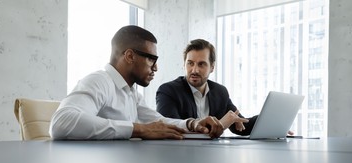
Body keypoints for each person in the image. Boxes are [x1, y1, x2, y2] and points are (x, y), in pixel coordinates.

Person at [50, 26, 227, 140]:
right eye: (151, 59)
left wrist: (192, 124)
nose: (155, 67)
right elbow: (61, 122)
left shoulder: (131, 94)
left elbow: (159, 122)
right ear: (129, 56)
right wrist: (138, 129)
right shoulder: (99, 81)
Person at [156, 39, 258, 136]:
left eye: (201, 64)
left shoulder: (220, 92)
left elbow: (242, 127)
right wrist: (221, 124)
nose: (194, 70)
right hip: (180, 153)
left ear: (212, 67)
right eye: (190, 63)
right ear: (184, 64)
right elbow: (170, 130)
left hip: (210, 152)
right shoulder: (168, 91)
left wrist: (270, 117)